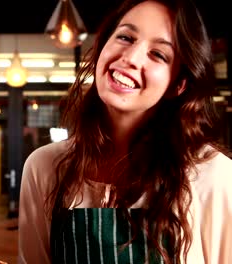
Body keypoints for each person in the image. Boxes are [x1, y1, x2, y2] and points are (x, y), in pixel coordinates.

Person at [18, 0, 232, 263]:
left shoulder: (214, 176)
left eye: (158, 54)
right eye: (125, 37)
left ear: (178, 83)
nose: (130, 58)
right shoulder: (45, 167)